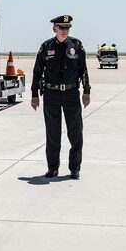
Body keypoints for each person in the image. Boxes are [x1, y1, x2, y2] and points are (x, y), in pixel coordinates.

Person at [30, 15, 91, 180]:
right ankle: (52, 168)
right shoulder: (46, 46)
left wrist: (87, 91)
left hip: (71, 94)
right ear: (54, 29)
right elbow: (37, 72)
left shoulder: (77, 45)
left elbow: (83, 71)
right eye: (61, 28)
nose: (64, 31)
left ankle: (75, 168)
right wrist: (34, 94)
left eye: (67, 28)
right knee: (52, 134)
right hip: (51, 95)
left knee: (76, 133)